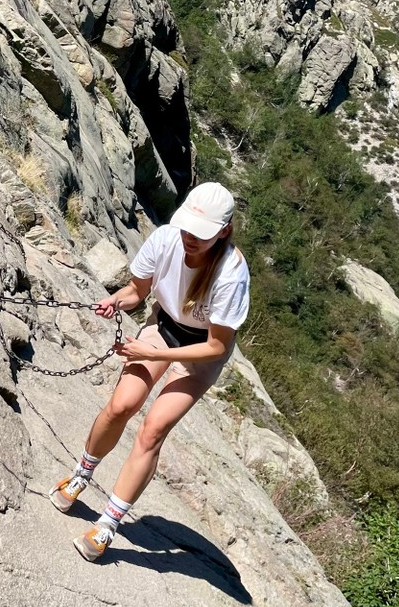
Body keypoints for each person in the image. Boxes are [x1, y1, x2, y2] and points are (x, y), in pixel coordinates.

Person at [50, 182, 250, 561]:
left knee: (153, 430)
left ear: (224, 232)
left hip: (202, 352)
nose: (190, 238)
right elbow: (136, 291)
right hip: (165, 325)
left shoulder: (231, 274)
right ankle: (81, 474)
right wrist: (116, 301)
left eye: (201, 233)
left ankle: (108, 524)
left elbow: (217, 346)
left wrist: (150, 351)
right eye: (188, 227)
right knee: (121, 405)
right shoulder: (165, 239)